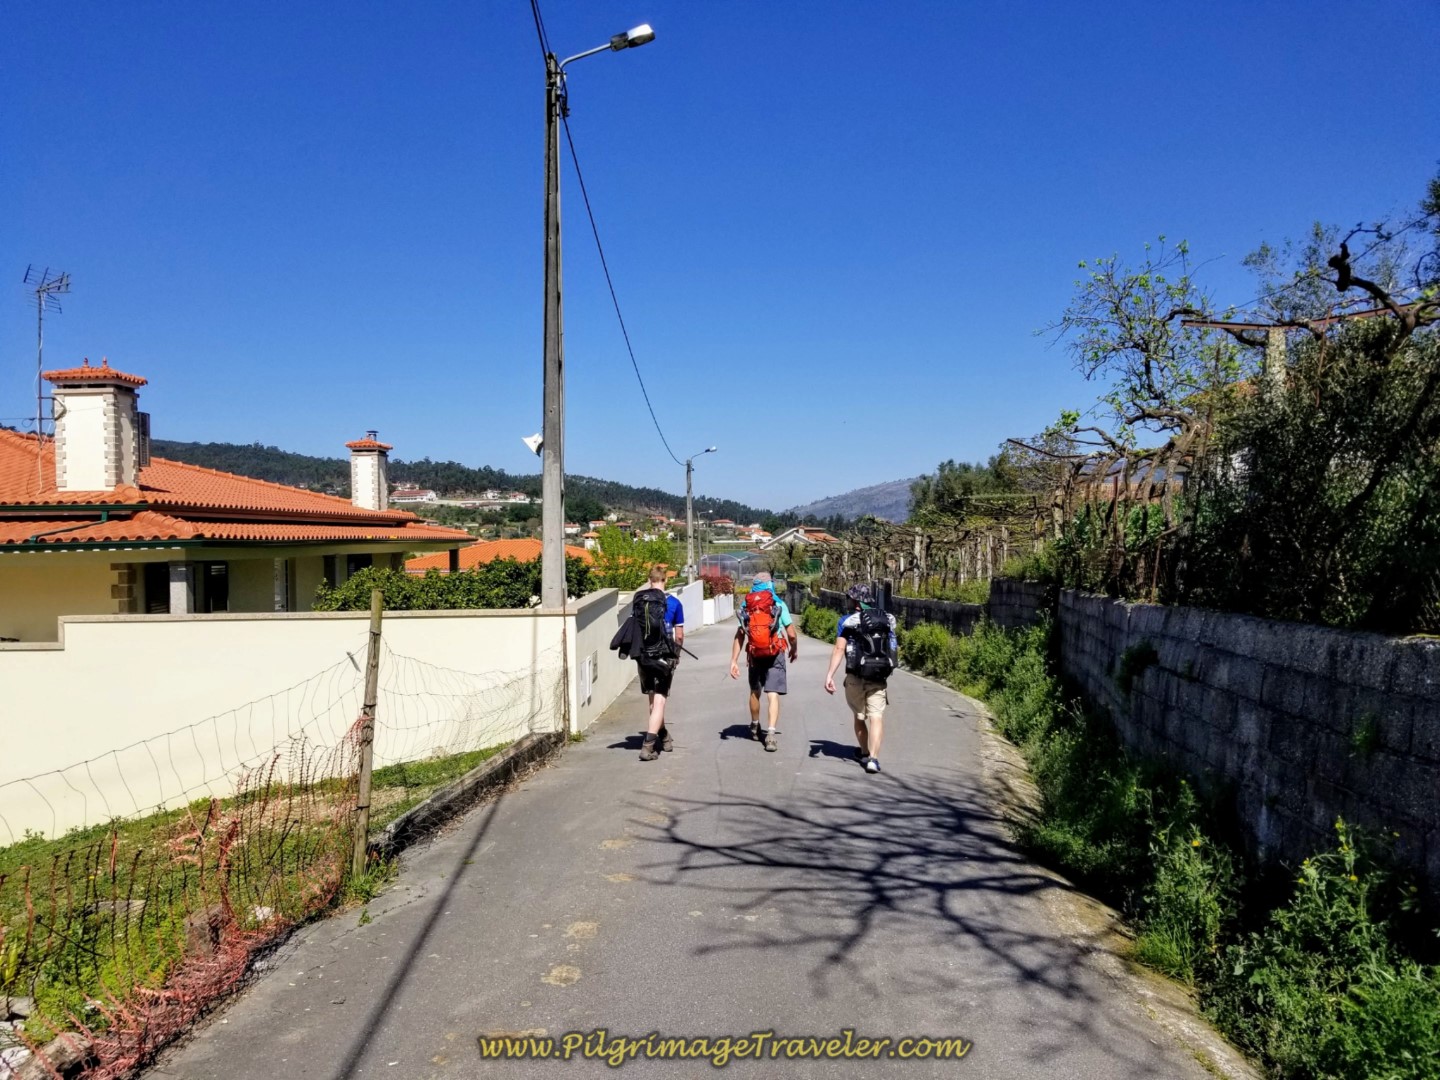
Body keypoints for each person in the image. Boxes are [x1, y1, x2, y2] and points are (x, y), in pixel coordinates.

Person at [824, 584, 898, 775]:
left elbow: (840, 649)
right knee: (876, 717)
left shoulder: (847, 621)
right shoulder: (885, 619)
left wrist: (830, 674)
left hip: (855, 676)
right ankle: (873, 759)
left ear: (855, 601)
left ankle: (864, 753)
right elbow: (892, 645)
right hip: (879, 676)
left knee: (859, 717)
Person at [729, 571, 798, 752]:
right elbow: (791, 634)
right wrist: (794, 649)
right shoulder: (777, 603)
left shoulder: (747, 605)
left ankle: (754, 725)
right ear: (771, 585)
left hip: (754, 654)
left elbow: (740, 634)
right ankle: (771, 734)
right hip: (775, 653)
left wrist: (733, 660)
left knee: (754, 691)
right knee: (772, 693)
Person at [626, 566, 685, 761]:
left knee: (652, 700)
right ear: (665, 580)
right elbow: (679, 634)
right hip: (664, 655)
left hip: (643, 655)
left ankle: (663, 736)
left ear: (649, 580)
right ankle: (648, 746)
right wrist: (676, 654)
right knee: (660, 700)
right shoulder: (674, 603)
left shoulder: (640, 601)